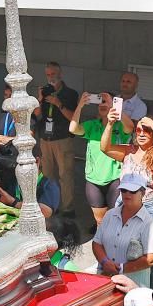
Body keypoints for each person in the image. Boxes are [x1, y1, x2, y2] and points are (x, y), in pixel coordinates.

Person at [100, 111, 153, 225]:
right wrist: (110, 124)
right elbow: (105, 148)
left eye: (147, 130)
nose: (141, 134)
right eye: (139, 130)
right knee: (120, 241)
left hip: (149, 208)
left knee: (148, 243)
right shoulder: (129, 151)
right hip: (124, 204)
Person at [71, 91, 128, 226]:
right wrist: (80, 105)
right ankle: (100, 245)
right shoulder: (92, 125)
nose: (102, 105)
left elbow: (130, 127)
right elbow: (73, 128)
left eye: (105, 102)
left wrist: (115, 107)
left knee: (116, 219)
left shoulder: (120, 126)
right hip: (93, 179)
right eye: (100, 102)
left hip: (115, 178)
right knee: (100, 221)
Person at [92, 173, 153, 285]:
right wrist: (105, 262)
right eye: (124, 190)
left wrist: (121, 269)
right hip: (106, 281)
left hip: (133, 287)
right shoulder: (110, 214)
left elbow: (151, 258)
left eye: (132, 191)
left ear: (142, 193)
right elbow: (96, 243)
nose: (127, 194)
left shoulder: (149, 223)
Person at [34, 62, 79, 217]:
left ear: (60, 74)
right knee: (47, 175)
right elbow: (36, 114)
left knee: (65, 175)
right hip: (45, 139)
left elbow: (73, 118)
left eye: (53, 74)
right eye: (48, 74)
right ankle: (49, 206)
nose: (50, 77)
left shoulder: (70, 94)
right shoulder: (45, 92)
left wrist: (58, 104)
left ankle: (67, 209)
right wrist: (40, 99)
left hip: (62, 139)